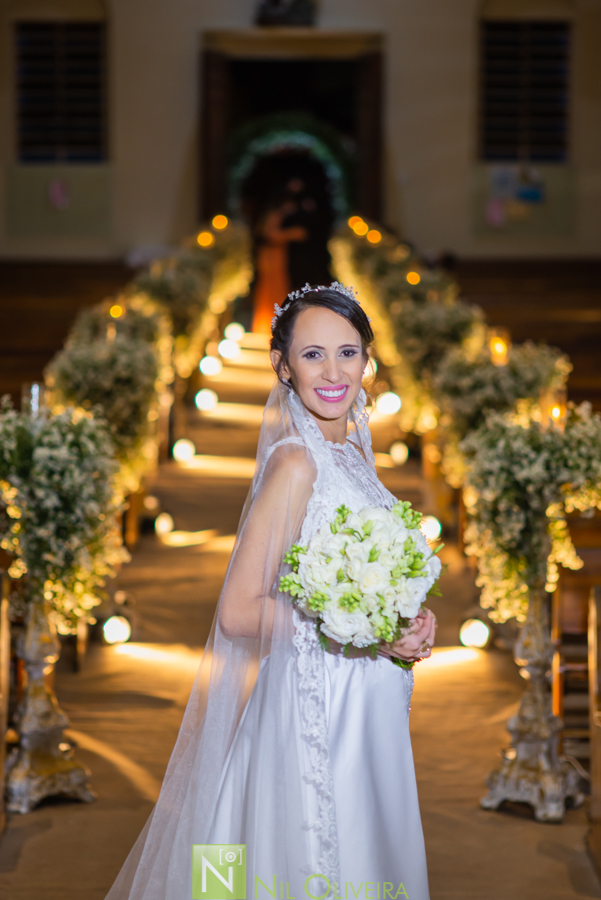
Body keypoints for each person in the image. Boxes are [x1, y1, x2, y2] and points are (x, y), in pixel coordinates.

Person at [104, 282, 436, 900]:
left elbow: (365, 574)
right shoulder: (296, 463)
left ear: (369, 360)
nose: (334, 372)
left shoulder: (353, 450)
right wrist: (354, 622)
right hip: (319, 704)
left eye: (348, 352)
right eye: (312, 355)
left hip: (368, 701)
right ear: (282, 365)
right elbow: (236, 612)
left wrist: (406, 618)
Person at [251, 196, 308, 334]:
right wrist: (292, 234)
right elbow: (269, 234)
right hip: (271, 259)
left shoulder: (279, 215)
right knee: (271, 290)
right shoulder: (274, 214)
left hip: (277, 259)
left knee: (278, 288)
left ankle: (275, 324)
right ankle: (268, 324)